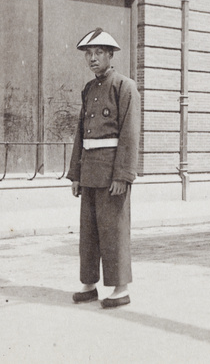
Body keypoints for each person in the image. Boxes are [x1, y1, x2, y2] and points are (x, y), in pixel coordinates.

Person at [66, 28, 141, 309]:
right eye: (89, 53)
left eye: (98, 53)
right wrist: (75, 174)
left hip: (112, 174)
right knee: (89, 232)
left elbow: (130, 134)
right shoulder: (89, 89)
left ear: (111, 55)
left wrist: (123, 175)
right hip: (89, 173)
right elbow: (80, 133)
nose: (93, 58)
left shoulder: (125, 87)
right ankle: (89, 284)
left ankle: (120, 288)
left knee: (114, 231)